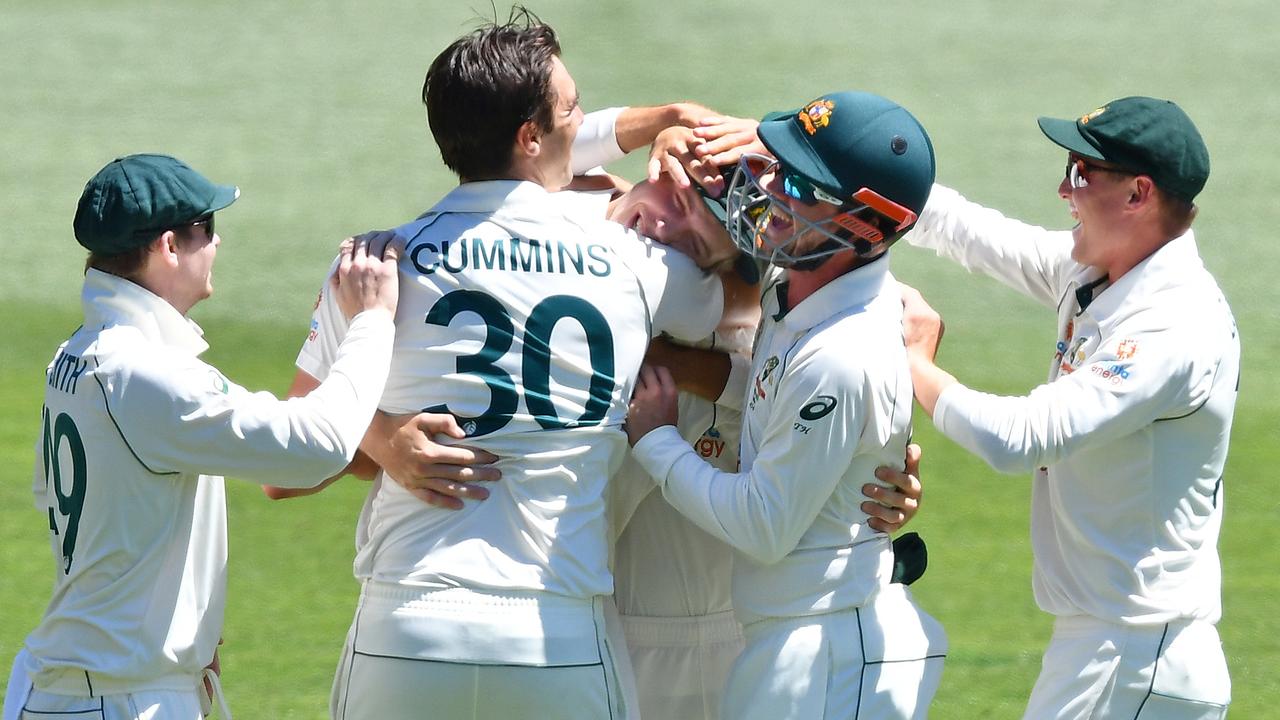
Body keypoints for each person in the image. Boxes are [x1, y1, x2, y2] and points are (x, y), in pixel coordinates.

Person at [295, 12, 724, 719]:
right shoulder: (638, 266)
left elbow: (293, 464)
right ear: (531, 136)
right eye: (573, 108)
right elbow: (732, 313)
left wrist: (379, 436)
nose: (584, 121)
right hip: (557, 639)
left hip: (405, 629)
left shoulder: (373, 262)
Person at [3, 153, 402, 720]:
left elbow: (91, 509)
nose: (218, 245)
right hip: (115, 696)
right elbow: (318, 446)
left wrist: (179, 618)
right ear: (169, 247)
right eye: (207, 230)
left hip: (92, 685)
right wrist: (370, 319)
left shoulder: (72, 357)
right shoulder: (146, 374)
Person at [900, 96, 1236, 718]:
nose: (1063, 189)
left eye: (1081, 173)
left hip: (1133, 655)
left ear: (1138, 194)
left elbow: (1020, 438)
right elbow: (964, 229)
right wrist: (830, 161)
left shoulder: (1171, 324)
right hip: (1117, 648)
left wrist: (914, 364)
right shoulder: (1103, 272)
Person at [626, 90, 948, 719]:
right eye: (778, 166)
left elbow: (763, 526)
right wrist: (674, 133)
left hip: (824, 653)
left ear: (858, 228)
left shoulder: (840, 350)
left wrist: (656, 439)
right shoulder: (796, 285)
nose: (771, 194)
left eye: (800, 183)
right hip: (799, 637)